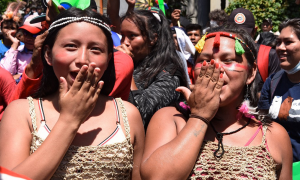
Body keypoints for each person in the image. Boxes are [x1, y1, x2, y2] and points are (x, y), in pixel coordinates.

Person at [0, 8, 144, 179]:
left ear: (108, 60)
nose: (83, 59)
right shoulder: (20, 113)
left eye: (96, 49)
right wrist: (70, 120)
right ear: (48, 55)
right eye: (71, 46)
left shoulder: (128, 115)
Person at [140, 24, 292, 179]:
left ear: (252, 72)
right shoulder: (172, 119)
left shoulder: (274, 136)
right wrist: (199, 117)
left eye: (228, 60)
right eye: (205, 60)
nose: (216, 68)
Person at [116, 7, 188, 129]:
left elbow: (141, 112)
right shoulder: (129, 63)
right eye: (122, 36)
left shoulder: (170, 73)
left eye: (132, 36)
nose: (124, 42)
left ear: (153, 38)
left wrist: (127, 67)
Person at [258, 18, 300, 163]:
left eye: (288, 42)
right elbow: (262, 127)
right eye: (278, 42)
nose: (280, 47)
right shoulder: (272, 82)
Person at [228, 8, 281, 99]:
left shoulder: (270, 55)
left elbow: (276, 94)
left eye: (244, 33)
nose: (239, 38)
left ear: (255, 31)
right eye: (234, 33)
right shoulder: (218, 55)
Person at [0, 15, 42, 80]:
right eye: (26, 33)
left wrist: (20, 76)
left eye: (34, 34)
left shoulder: (45, 54)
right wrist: (14, 46)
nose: (28, 38)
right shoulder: (17, 50)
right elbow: (5, 74)